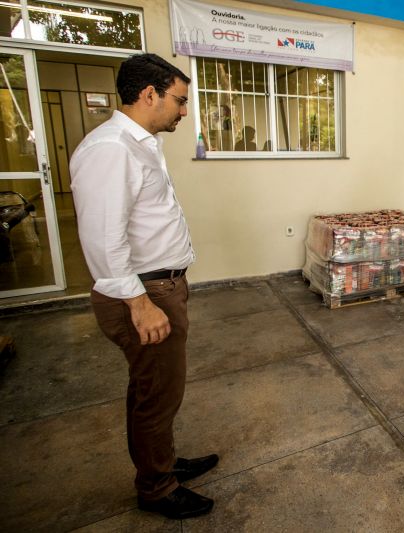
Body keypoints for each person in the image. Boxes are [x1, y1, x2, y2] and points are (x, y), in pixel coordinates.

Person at [70, 54, 218, 520]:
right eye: (179, 100)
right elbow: (102, 235)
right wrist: (138, 302)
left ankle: (163, 462)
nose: (184, 110)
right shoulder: (112, 148)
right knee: (158, 393)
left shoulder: (139, 143)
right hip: (145, 294)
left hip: (159, 287)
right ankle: (157, 487)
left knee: (155, 388)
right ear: (148, 93)